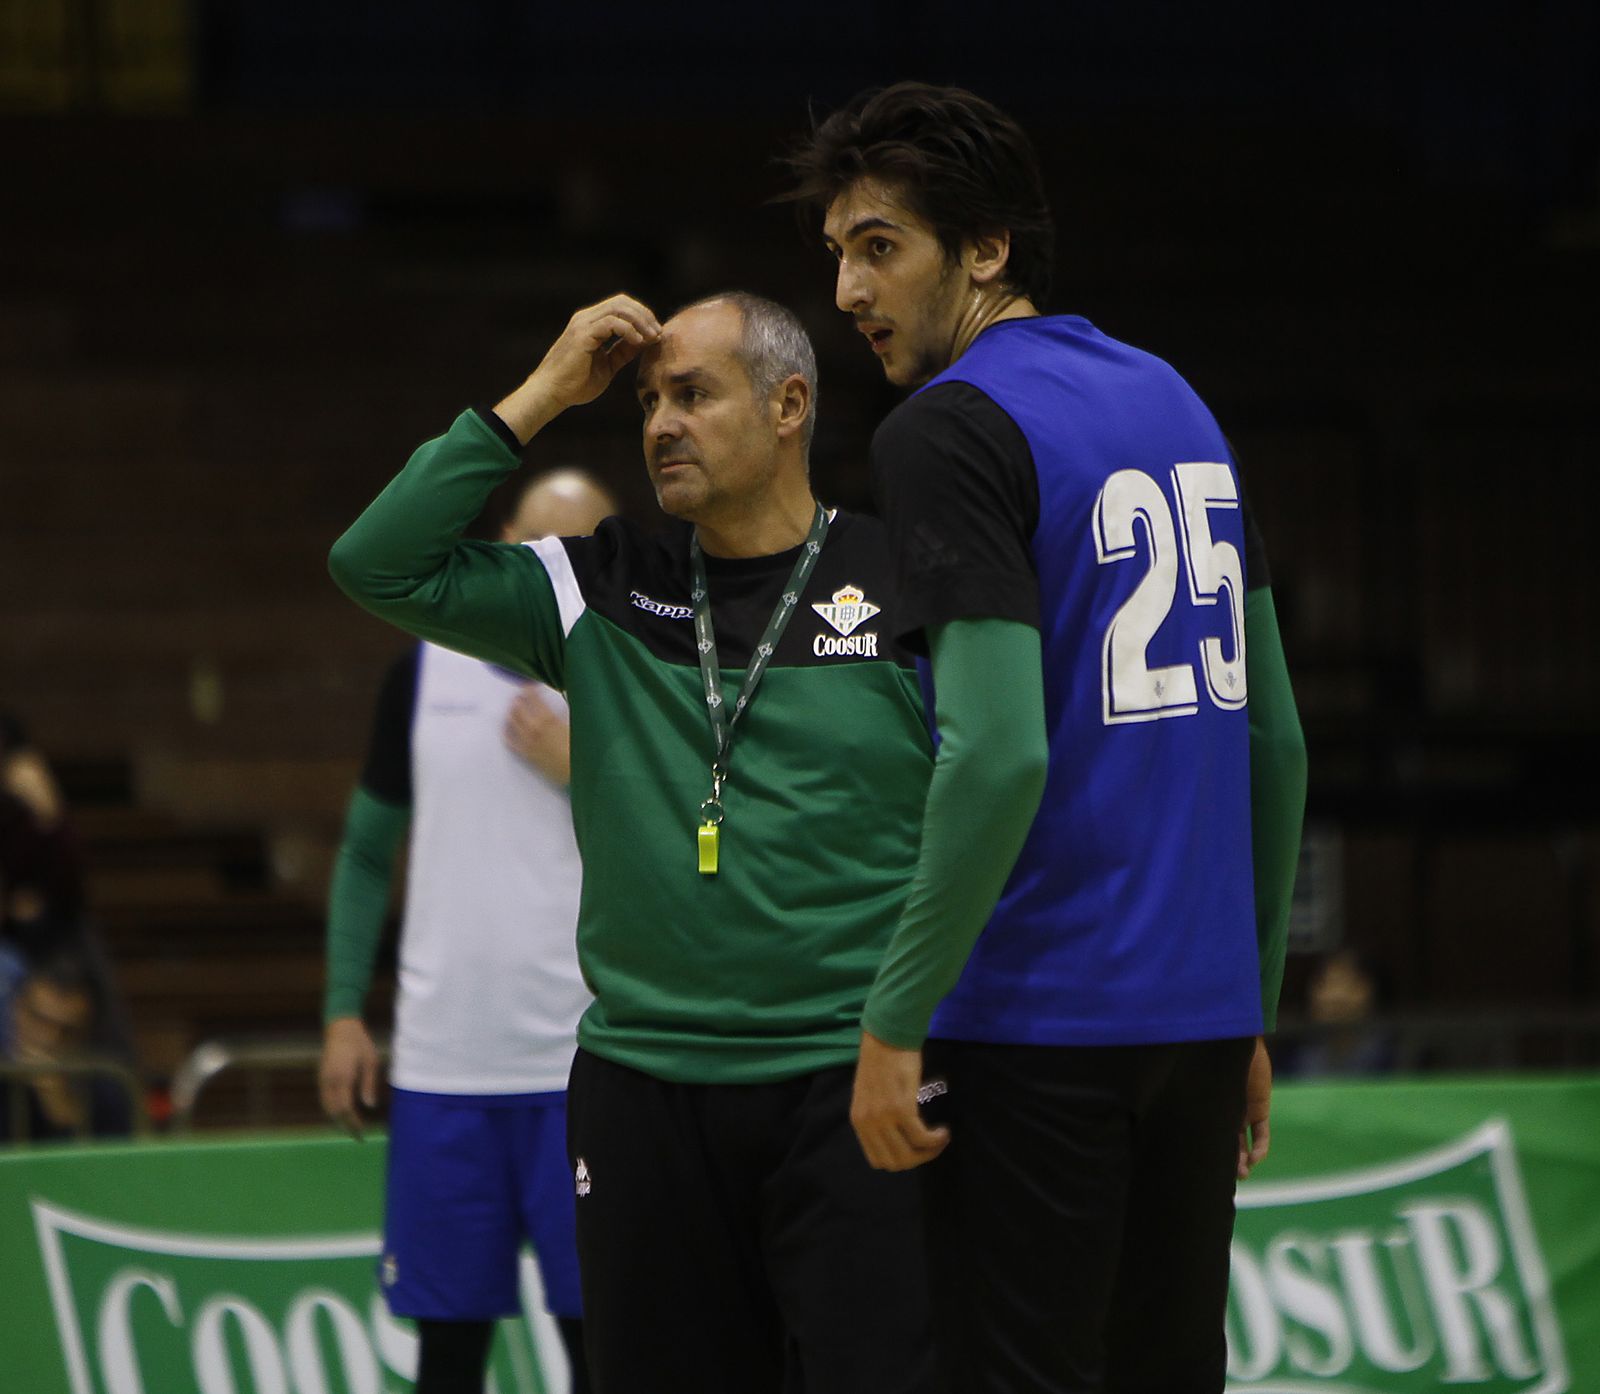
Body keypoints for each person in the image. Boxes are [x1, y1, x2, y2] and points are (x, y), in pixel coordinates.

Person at [785, 83, 1309, 1393]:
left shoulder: (948, 430)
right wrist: (1248, 1005)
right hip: (1195, 1021)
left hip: (1036, 1025)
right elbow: (1279, 742)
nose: (848, 287)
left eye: (880, 246)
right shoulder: (1178, 400)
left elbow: (1001, 752)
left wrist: (894, 1017)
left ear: (987, 248)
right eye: (839, 251)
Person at [329, 291, 941, 1394]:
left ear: (789, 402)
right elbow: (376, 562)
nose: (658, 421)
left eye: (692, 394)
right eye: (648, 400)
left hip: (854, 1078)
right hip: (644, 1091)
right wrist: (547, 390)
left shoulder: (908, 580)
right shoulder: (595, 585)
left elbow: (1001, 803)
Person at [320, 467, 615, 1394]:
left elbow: (708, 836)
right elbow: (367, 855)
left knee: (600, 1349)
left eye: (580, 549)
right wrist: (340, 1013)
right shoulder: (419, 672)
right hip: (445, 1072)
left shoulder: (638, 679)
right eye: (535, 542)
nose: (552, 565)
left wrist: (592, 767)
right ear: (499, 543)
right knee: (448, 1358)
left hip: (588, 1072)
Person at [0, 944, 133, 1143]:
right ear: (16, 1009)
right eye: (38, 1019)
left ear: (83, 1033)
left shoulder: (107, 1088)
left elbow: (112, 1170)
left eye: (66, 1031)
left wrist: (62, 1116)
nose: (48, 1038)